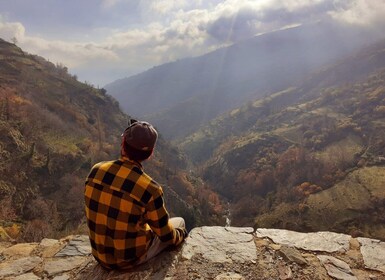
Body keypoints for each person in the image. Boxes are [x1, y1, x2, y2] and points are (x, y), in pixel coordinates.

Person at [84, 119, 188, 269]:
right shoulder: (150, 189)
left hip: (99, 256)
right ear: (150, 154)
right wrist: (181, 235)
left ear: (123, 143)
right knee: (179, 222)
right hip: (128, 260)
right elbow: (165, 234)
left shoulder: (96, 170)